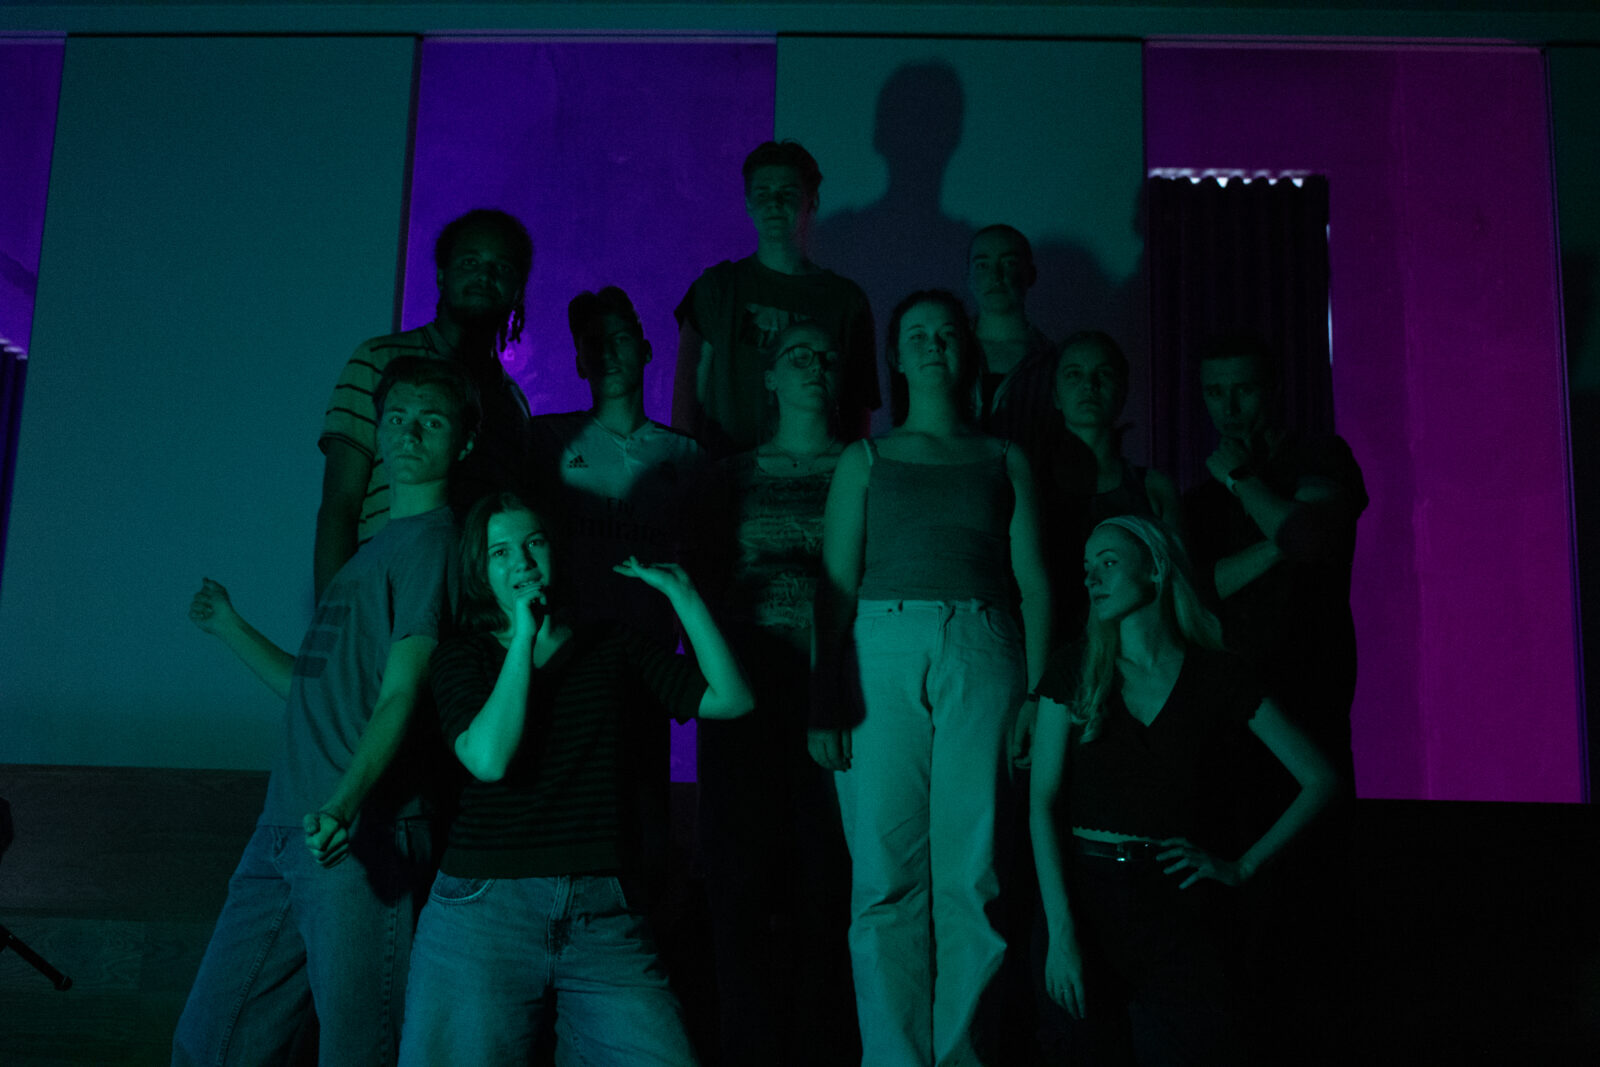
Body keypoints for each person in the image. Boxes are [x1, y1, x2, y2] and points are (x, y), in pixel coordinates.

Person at [174, 356, 477, 1066]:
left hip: (360, 829)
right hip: (287, 826)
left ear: (463, 442)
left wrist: (345, 803)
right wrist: (228, 625)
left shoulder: (436, 543)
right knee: (211, 1042)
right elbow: (311, 687)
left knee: (358, 1048)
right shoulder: (370, 555)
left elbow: (405, 691)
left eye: (432, 420)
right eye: (397, 417)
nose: (410, 432)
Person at [395, 490, 754, 1066]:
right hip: (486, 913)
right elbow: (489, 759)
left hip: (601, 913)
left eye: (534, 542)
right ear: (480, 571)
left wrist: (684, 596)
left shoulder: (612, 644)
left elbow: (732, 700)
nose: (522, 560)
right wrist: (523, 638)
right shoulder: (463, 657)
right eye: (500, 552)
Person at [811, 289, 1051, 1065]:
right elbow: (835, 584)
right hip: (880, 646)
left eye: (946, 332)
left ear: (966, 348)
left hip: (983, 645)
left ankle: (960, 1056)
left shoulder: (1004, 457)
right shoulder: (865, 458)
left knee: (972, 875)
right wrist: (824, 693)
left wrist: (1040, 693)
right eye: (916, 333)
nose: (933, 343)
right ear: (896, 354)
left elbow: (1035, 582)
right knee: (884, 874)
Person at [1029, 515, 1337, 1065]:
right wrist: (1061, 932)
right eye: (1087, 567)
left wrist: (1242, 867)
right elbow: (1042, 801)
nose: (1092, 577)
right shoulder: (1075, 668)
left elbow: (1320, 778)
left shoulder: (1217, 675)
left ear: (1154, 567)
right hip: (1088, 898)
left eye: (1109, 562)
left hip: (1177, 909)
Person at [697, 320, 858, 1065]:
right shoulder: (727, 475)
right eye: (798, 354)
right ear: (768, 377)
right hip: (748, 693)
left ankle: (822, 1048)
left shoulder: (866, 465)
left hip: (839, 690)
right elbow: (703, 581)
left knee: (827, 883)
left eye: (826, 354)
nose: (815, 364)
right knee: (739, 884)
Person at [315, 208, 534, 600]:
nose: (484, 276)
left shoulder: (514, 405)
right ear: (441, 274)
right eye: (470, 262)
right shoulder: (379, 360)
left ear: (518, 289)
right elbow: (340, 504)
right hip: (382, 594)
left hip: (476, 608)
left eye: (501, 267)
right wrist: (334, 616)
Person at [1181, 335, 1367, 782]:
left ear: (1273, 387)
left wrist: (1240, 479)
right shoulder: (1202, 500)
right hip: (1230, 700)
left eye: (1243, 389)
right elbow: (1199, 590)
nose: (1228, 407)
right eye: (1214, 392)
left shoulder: (1321, 457)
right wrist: (1280, 541)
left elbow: (1307, 538)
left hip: (1312, 687)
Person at [673, 140, 878, 457]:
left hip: (817, 477)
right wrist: (683, 471)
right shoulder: (717, 288)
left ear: (812, 201)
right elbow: (686, 400)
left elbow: (857, 407)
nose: (774, 203)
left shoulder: (846, 300)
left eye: (787, 193)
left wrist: (853, 474)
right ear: (748, 204)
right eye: (763, 193)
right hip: (725, 475)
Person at [531, 287, 704, 652]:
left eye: (621, 339)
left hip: (653, 653)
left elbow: (703, 563)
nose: (608, 353)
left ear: (646, 350)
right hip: (571, 651)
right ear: (580, 363)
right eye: (594, 343)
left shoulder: (688, 455)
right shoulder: (548, 440)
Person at [1040, 330, 1182, 632]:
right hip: (1052, 640)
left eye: (1103, 373)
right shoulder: (1029, 483)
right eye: (1074, 374)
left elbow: (1176, 582)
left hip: (1131, 642)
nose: (1089, 385)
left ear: (1123, 390)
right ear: (1055, 394)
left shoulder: (1154, 487)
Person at [966, 224, 1057, 456]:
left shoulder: (1053, 361)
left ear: (1030, 275)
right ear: (969, 276)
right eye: (983, 265)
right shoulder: (948, 349)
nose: (995, 276)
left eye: (1009, 263)